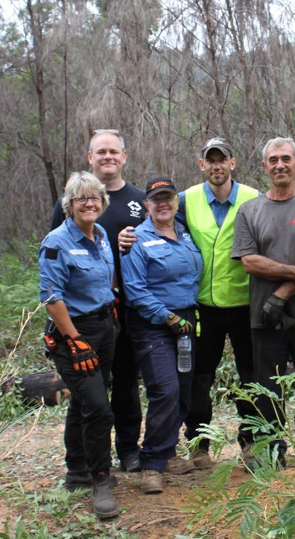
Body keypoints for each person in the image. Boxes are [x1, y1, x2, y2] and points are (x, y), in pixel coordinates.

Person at [232, 138, 295, 468]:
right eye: (273, 160)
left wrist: (280, 294)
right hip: (264, 318)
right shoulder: (250, 211)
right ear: (264, 167)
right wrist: (294, 273)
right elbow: (250, 261)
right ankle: (272, 449)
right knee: (267, 389)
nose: (280, 165)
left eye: (286, 159)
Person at [50, 129, 146, 475]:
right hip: (82, 316)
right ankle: (83, 465)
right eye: (100, 151)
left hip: (128, 310)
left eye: (113, 151)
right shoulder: (73, 200)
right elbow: (54, 263)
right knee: (90, 393)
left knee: (125, 383)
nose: (108, 156)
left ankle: (128, 450)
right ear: (90, 157)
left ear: (124, 156)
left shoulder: (139, 200)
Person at [39, 172, 121, 519]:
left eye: (95, 197)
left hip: (104, 328)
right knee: (99, 408)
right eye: (81, 198)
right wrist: (74, 339)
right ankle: (100, 479)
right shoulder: (57, 242)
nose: (89, 203)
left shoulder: (101, 236)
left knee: (86, 402)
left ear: (103, 202)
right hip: (74, 333)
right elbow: (52, 297)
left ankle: (76, 470)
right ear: (69, 205)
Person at [179, 138, 260, 467]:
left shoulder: (254, 198)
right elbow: (159, 228)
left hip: (245, 304)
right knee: (199, 377)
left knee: (251, 377)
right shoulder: (186, 199)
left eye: (221, 159)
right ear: (201, 165)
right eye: (209, 160)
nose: (216, 166)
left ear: (232, 162)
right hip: (202, 306)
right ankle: (199, 445)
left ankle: (252, 443)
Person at [121, 177, 204, 494]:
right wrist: (166, 317)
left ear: (176, 202)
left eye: (168, 198)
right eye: (156, 199)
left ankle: (168, 452)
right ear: (147, 205)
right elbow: (135, 291)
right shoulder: (135, 240)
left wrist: (182, 319)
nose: (163, 204)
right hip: (153, 324)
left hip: (186, 322)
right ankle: (151, 464)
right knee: (165, 390)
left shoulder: (184, 233)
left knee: (183, 390)